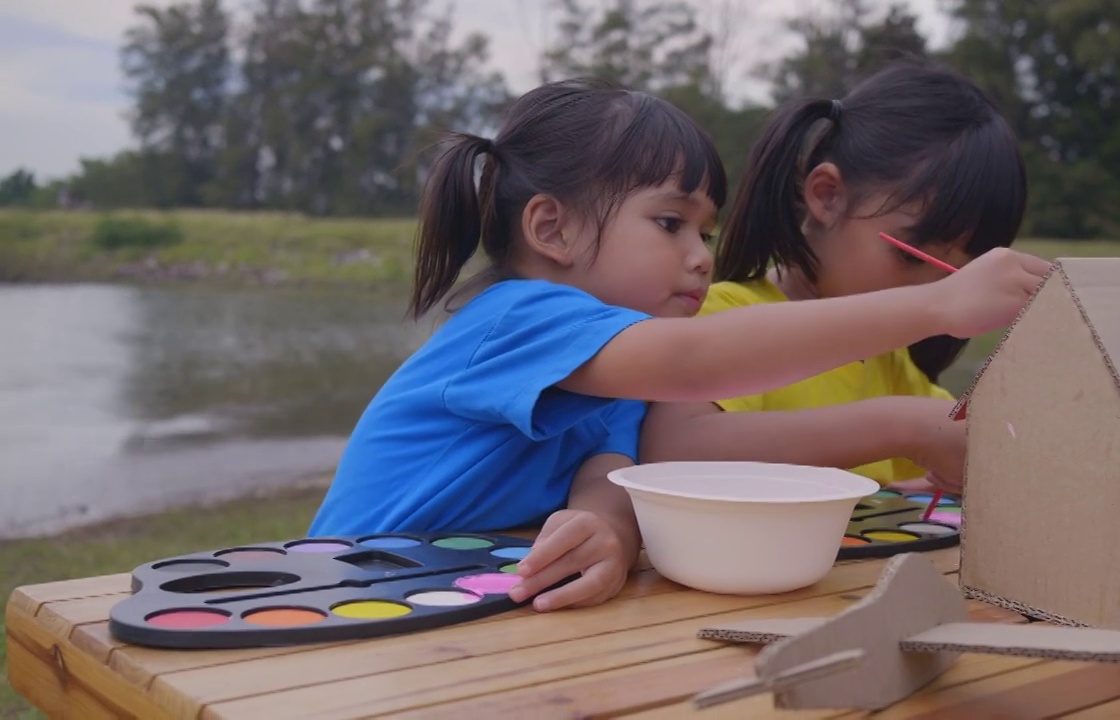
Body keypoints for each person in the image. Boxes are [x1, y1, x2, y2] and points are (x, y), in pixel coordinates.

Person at [309, 77, 1050, 613]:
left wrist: (604, 528)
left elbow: (611, 470)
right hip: (340, 592)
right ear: (550, 229)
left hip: (438, 605)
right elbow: (698, 362)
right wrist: (935, 304)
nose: (700, 256)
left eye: (705, 230)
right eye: (670, 224)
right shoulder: (519, 320)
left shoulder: (611, 377)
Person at [641, 60, 1028, 495]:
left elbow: (969, 437)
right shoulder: (725, 314)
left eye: (957, 278)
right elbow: (672, 451)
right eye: (912, 257)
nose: (937, 293)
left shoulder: (886, 359)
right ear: (827, 196)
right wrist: (900, 426)